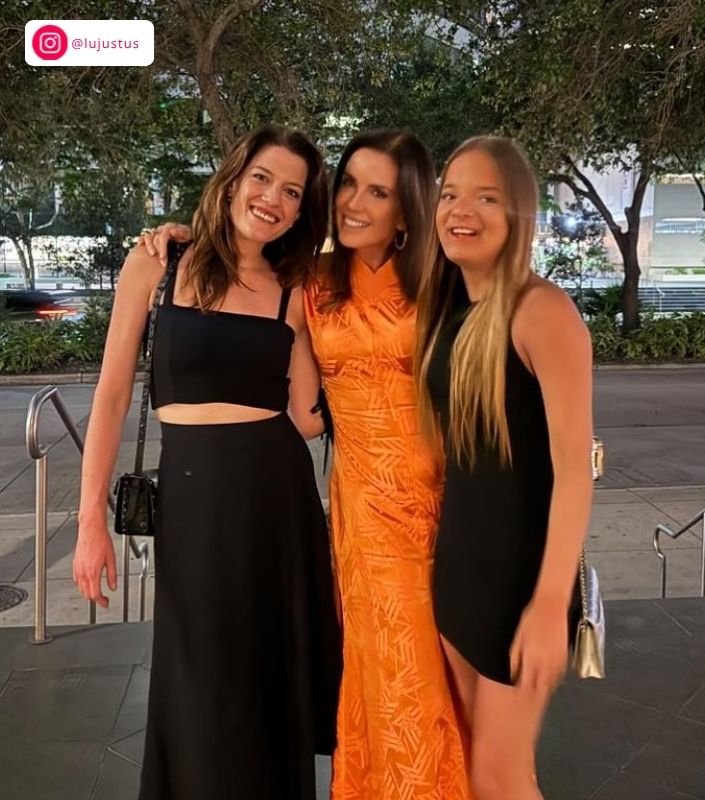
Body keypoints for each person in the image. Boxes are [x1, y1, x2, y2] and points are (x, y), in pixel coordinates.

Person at [143, 130, 470, 800]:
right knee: (369, 669)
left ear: (407, 210)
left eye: (378, 192)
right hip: (356, 503)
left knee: (427, 673)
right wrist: (180, 238)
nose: (353, 202)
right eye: (348, 184)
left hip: (431, 500)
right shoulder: (316, 283)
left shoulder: (443, 283)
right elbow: (306, 406)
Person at [73, 125, 342, 800]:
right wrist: (88, 522)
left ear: (302, 212)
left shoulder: (293, 289)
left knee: (267, 678)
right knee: (198, 680)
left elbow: (308, 417)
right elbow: (111, 395)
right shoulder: (159, 264)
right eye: (262, 178)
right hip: (192, 499)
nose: (273, 199)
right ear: (232, 180)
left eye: (292, 192)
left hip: (276, 499)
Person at [415, 135, 594, 800]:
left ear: (518, 212)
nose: (462, 211)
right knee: (478, 767)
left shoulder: (541, 311)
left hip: (519, 584)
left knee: (499, 779)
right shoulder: (452, 308)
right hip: (461, 571)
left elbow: (574, 472)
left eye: (486, 198)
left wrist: (549, 606)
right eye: (451, 195)